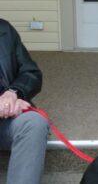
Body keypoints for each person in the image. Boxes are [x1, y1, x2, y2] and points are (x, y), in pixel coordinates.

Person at [0, 18, 49, 184]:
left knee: (34, 123)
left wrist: (14, 93)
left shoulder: (4, 29)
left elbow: (31, 72)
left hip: (7, 119)